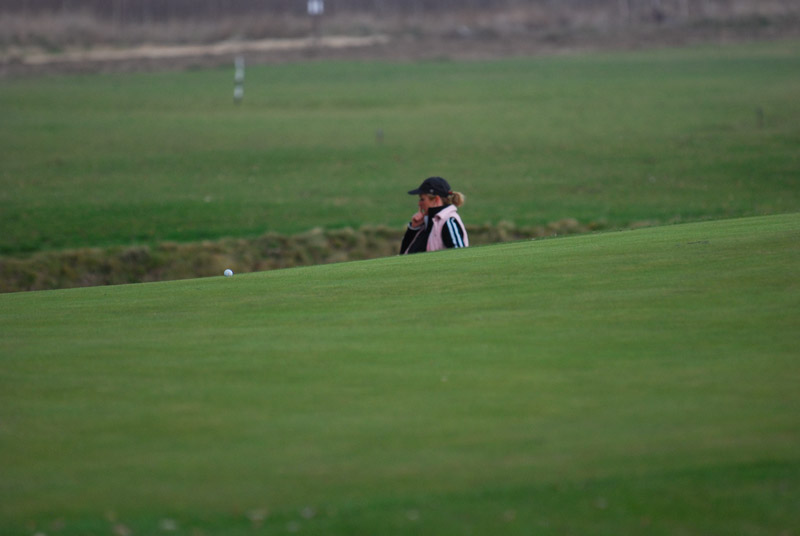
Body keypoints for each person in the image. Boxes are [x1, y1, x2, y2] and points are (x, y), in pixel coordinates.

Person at [400, 176, 469, 255]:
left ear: (436, 199)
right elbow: (403, 257)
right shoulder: (426, 223)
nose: (419, 203)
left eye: (422, 199)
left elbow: (460, 254)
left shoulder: (448, 221)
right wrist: (413, 229)